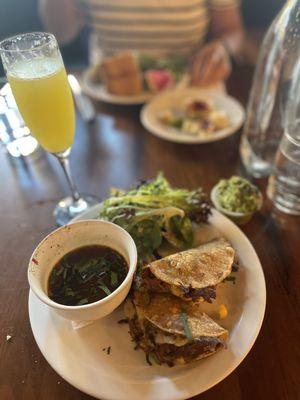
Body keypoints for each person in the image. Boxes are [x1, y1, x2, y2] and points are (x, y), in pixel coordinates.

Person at [38, 0, 244, 86]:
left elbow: (232, 31)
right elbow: (61, 34)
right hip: (108, 91)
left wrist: (222, 49)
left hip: (187, 86)